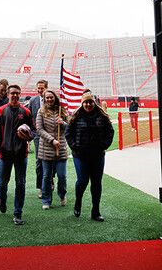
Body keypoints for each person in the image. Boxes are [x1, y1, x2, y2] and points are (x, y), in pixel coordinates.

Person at [65, 92, 114, 221]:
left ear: (94, 102)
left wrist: (104, 145)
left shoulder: (101, 116)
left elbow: (110, 131)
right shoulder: (76, 116)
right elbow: (68, 132)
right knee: (82, 181)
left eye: (90, 102)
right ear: (82, 103)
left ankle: (96, 211)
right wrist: (74, 145)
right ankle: (78, 201)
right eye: (85, 102)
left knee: (97, 183)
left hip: (97, 155)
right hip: (80, 155)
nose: (88, 104)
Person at [0, 84, 34, 224]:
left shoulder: (26, 112)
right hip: (5, 154)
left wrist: (29, 137)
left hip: (21, 154)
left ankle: (18, 212)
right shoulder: (0, 111)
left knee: (20, 184)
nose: (15, 95)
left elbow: (34, 130)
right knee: (3, 183)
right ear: (8, 95)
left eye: (17, 93)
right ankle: (3, 200)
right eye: (12, 93)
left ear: (20, 95)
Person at [35, 89, 68, 209]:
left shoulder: (62, 111)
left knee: (62, 176)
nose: (49, 100)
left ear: (55, 98)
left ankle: (62, 194)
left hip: (61, 148)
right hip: (46, 149)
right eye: (47, 98)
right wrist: (52, 140)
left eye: (51, 97)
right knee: (46, 176)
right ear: (44, 99)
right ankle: (46, 200)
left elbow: (69, 127)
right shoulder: (41, 111)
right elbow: (39, 129)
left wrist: (63, 123)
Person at [26, 79, 47, 195]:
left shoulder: (51, 99)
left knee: (50, 160)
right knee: (39, 161)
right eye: (38, 88)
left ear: (46, 88)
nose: (39, 90)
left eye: (42, 88)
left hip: (50, 135)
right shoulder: (33, 101)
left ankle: (50, 180)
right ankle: (41, 188)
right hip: (38, 136)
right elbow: (28, 116)